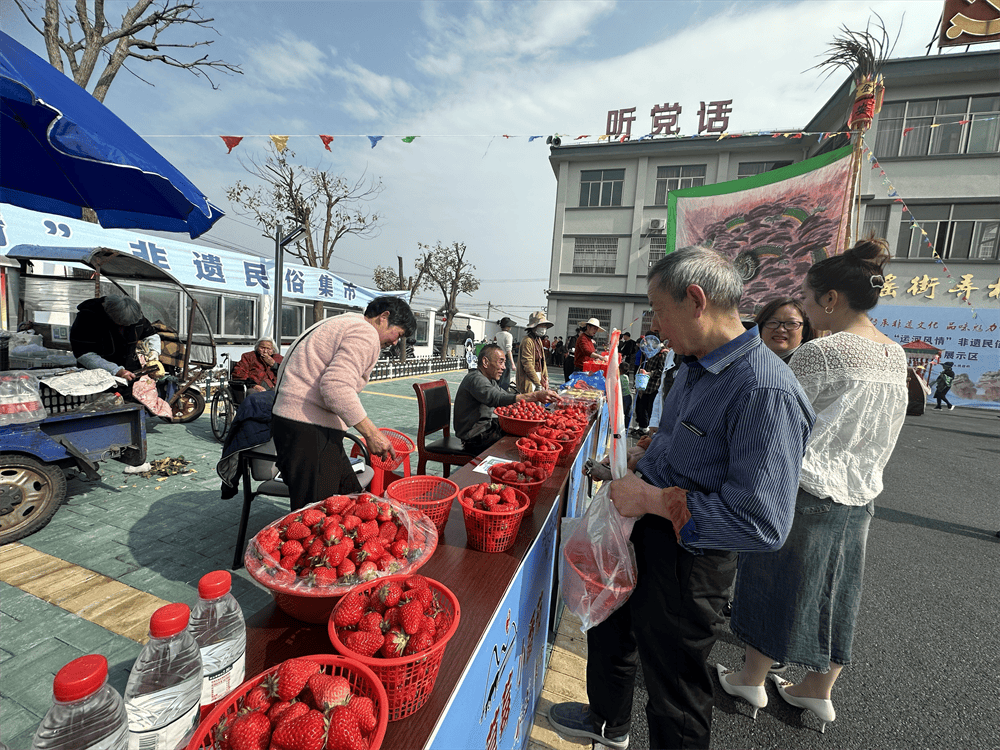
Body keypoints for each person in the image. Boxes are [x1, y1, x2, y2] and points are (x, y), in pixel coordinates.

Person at [547, 246, 814, 750]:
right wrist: (637, 461)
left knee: (674, 684)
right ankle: (608, 721)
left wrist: (649, 499)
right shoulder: (693, 365)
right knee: (610, 625)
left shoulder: (764, 390)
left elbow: (761, 522)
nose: (655, 326)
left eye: (658, 311)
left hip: (688, 561)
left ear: (695, 300)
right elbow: (680, 446)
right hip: (642, 532)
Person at [719, 238, 907, 734]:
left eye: (804, 299)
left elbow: (778, 425)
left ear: (829, 300)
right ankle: (817, 690)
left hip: (806, 485)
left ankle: (750, 678)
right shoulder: (895, 355)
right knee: (839, 590)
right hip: (862, 492)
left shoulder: (822, 352)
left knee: (771, 580)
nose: (799, 310)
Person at [271, 297, 417, 511]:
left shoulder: (344, 323)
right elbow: (335, 387)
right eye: (399, 334)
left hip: (296, 422)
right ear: (384, 317)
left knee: (351, 500)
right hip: (308, 428)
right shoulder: (366, 333)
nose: (395, 342)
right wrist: (371, 433)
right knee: (317, 515)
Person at [454, 343, 559, 452]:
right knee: (520, 444)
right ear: (485, 362)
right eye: (500, 362)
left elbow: (505, 396)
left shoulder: (489, 380)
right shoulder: (476, 379)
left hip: (487, 428)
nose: (504, 367)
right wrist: (535, 395)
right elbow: (498, 398)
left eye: (504, 362)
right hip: (475, 436)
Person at [70, 295, 162, 383]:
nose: (127, 326)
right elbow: (84, 354)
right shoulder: (87, 318)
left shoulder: (135, 314)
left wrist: (154, 351)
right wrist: (115, 370)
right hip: (96, 376)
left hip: (129, 372)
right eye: (123, 324)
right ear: (111, 316)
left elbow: (151, 334)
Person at [754, 296, 815, 363]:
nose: (781, 329)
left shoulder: (808, 363)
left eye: (791, 323)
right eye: (773, 322)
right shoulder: (749, 359)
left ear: (804, 331)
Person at [517, 311, 553, 393]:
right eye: (541, 325)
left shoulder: (538, 340)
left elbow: (542, 360)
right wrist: (538, 383)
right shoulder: (527, 341)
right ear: (534, 327)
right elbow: (527, 364)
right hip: (529, 379)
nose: (544, 328)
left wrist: (546, 377)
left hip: (538, 377)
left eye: (545, 326)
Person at [494, 317, 516, 393]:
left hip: (497, 356)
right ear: (507, 326)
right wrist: (513, 364)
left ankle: (496, 392)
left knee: (498, 376)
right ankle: (503, 395)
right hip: (505, 357)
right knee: (505, 378)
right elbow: (508, 350)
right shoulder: (509, 335)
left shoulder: (497, 334)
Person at [618, 360, 633, 428]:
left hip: (623, 397)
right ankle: (626, 426)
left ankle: (620, 426)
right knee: (628, 412)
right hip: (629, 396)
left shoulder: (618, 379)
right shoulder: (626, 377)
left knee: (621, 412)